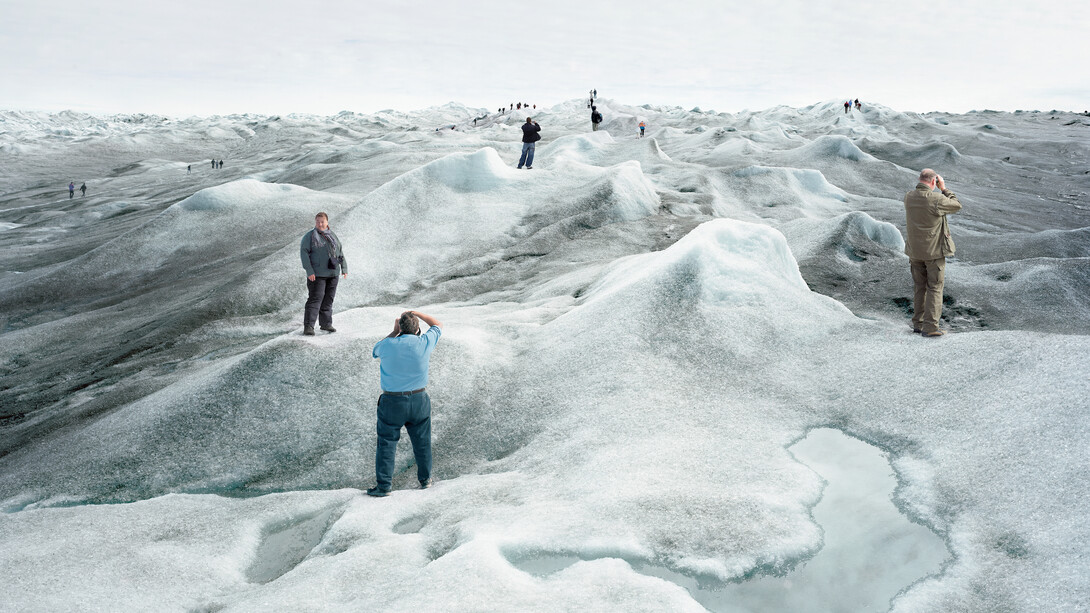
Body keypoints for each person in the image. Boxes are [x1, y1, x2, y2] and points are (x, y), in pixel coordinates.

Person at [368, 310, 443, 497]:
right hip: (419, 400)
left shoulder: (388, 345)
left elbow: (375, 351)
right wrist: (416, 313)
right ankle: (425, 480)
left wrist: (394, 332)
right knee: (422, 442)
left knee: (386, 443)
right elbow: (437, 324)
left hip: (392, 401)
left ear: (400, 327)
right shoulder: (424, 342)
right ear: (417, 329)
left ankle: (384, 486)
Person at [904, 169, 962, 337]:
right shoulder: (937, 199)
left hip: (914, 252)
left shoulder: (908, 197)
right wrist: (943, 188)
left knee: (919, 287)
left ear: (919, 179)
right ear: (933, 182)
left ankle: (918, 324)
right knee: (935, 288)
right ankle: (930, 327)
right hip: (934, 252)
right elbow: (956, 204)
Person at [300, 212, 348, 336]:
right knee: (315, 299)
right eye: (318, 222)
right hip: (317, 275)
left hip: (333, 273)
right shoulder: (310, 236)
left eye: (322, 222)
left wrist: (344, 268)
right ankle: (309, 326)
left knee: (328, 299)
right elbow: (304, 253)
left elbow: (340, 251)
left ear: (327, 222)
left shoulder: (332, 235)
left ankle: (326, 324)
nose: (320, 224)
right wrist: (309, 271)